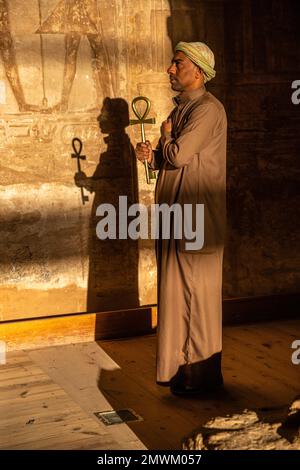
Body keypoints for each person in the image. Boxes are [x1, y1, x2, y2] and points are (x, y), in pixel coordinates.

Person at [135, 41, 227, 396]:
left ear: (198, 71)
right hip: (180, 215)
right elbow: (171, 158)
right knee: (178, 293)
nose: (170, 70)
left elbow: (182, 153)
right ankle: (180, 372)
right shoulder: (186, 109)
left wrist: (166, 138)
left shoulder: (208, 110)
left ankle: (200, 377)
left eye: (177, 64)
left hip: (197, 217)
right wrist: (153, 155)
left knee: (195, 293)